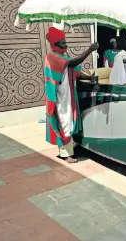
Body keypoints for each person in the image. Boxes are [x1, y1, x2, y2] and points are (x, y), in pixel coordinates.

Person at [44, 27, 98, 163]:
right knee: (64, 122)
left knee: (70, 120)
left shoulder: (64, 57)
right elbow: (73, 63)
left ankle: (70, 149)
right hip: (59, 97)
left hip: (69, 95)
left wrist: (89, 77)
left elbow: (75, 72)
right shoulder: (52, 57)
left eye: (65, 41)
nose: (65, 45)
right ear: (54, 45)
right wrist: (90, 50)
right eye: (62, 43)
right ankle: (65, 154)